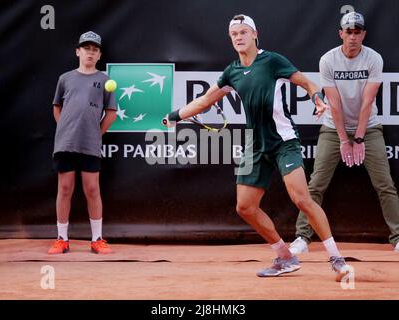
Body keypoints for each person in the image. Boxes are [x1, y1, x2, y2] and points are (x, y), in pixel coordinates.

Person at [163, 14, 350, 281]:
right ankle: (285, 256)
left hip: (284, 141)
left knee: (301, 199)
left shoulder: (272, 60)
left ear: (254, 34)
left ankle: (336, 258)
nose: (239, 37)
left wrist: (317, 98)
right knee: (245, 207)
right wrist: (175, 116)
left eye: (243, 32)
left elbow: (306, 82)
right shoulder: (232, 72)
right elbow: (205, 101)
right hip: (255, 145)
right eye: (234, 34)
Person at [290, 12, 399, 255]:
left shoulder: (374, 59)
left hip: (368, 128)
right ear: (341, 34)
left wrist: (358, 138)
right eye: (348, 32)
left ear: (363, 35)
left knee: (385, 184)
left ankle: (398, 237)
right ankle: (302, 237)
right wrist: (343, 139)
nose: (352, 37)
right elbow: (335, 104)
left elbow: (367, 101)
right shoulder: (328, 60)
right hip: (332, 128)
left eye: (357, 32)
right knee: (316, 183)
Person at [48, 31, 117, 254]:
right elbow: (57, 107)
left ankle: (97, 239)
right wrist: (65, 129)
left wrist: (96, 134)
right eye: (86, 48)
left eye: (95, 49)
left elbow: (111, 113)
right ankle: (61, 239)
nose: (90, 52)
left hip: (90, 144)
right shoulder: (65, 79)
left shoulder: (105, 81)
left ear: (99, 55)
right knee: (65, 188)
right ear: (78, 51)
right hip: (65, 143)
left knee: (92, 189)